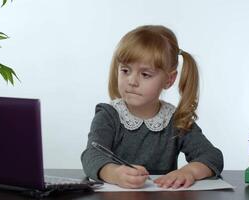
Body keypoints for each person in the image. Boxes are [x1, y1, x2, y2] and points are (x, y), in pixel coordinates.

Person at [81, 25, 223, 189]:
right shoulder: (108, 115)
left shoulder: (175, 120)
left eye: (145, 74)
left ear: (169, 80)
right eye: (125, 70)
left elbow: (212, 156)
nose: (132, 81)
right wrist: (114, 173)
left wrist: (189, 171)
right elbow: (91, 155)